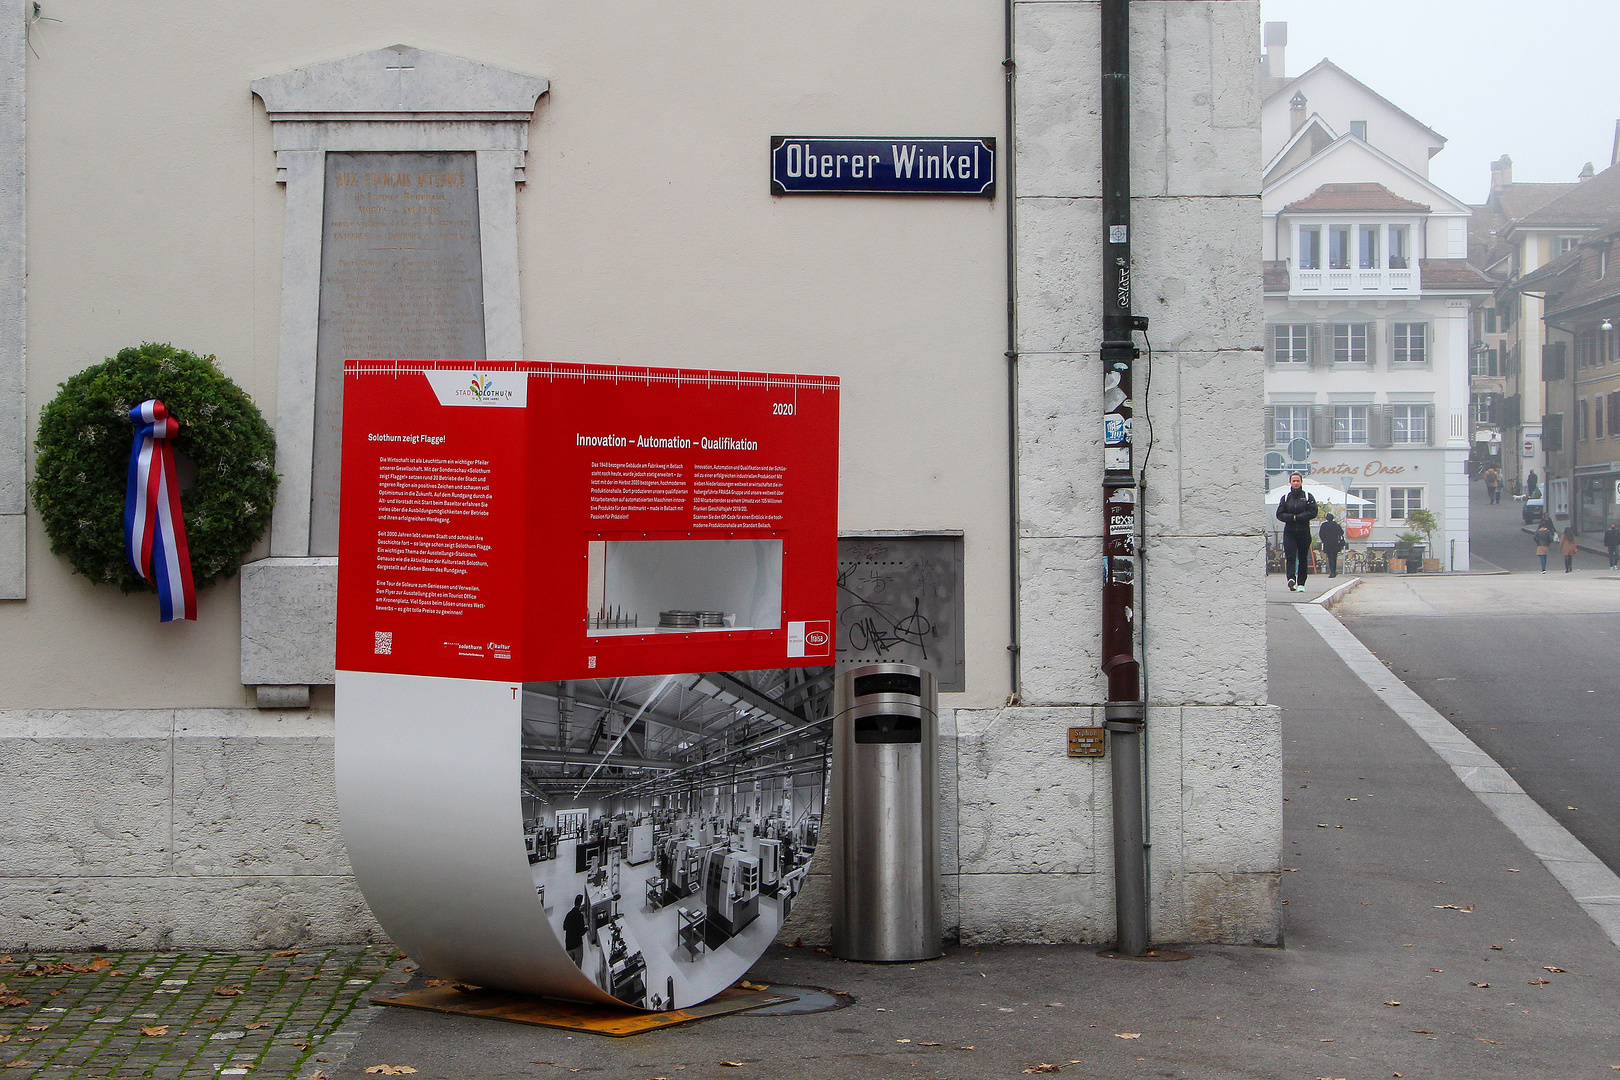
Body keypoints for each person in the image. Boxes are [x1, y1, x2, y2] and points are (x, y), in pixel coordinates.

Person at [1275, 472, 1318, 592]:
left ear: (1301, 482)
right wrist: (1291, 518)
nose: (1295, 483)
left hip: (1304, 532)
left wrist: (1299, 517)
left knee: (1303, 558)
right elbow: (1279, 514)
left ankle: (1301, 583)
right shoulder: (1285, 497)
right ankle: (1291, 579)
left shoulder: (1308, 497)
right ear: (1290, 482)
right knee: (1290, 556)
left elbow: (1313, 512)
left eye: (1297, 481)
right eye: (1293, 481)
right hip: (1290, 532)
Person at [1319, 512, 1346, 578]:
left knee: (1330, 557)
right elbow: (1341, 532)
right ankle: (1334, 570)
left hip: (1327, 543)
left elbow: (1321, 534)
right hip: (1335, 543)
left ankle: (1332, 571)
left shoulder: (1324, 525)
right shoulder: (1336, 525)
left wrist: (1324, 540)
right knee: (1334, 557)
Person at [564, 894, 588, 967]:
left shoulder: (568, 914)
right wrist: (586, 929)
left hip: (569, 945)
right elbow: (581, 932)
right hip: (577, 944)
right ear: (580, 904)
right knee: (578, 966)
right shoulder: (580, 916)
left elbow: (564, 927)